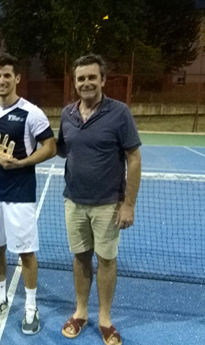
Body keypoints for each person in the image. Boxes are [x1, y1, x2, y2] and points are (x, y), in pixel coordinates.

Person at [57, 54, 142, 345]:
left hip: (109, 203)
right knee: (81, 258)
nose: (86, 83)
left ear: (103, 80)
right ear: (75, 83)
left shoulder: (120, 114)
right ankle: (81, 312)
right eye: (81, 78)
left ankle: (105, 318)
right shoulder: (67, 114)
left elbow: (134, 158)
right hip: (74, 201)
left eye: (92, 77)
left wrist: (129, 203)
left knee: (106, 259)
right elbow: (59, 148)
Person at [0, 53, 56, 335]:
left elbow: (50, 147)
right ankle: (0, 298)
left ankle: (31, 306)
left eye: (6, 75)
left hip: (20, 194)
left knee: (25, 253)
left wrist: (21, 163)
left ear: (17, 78)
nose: (1, 80)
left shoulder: (31, 112)